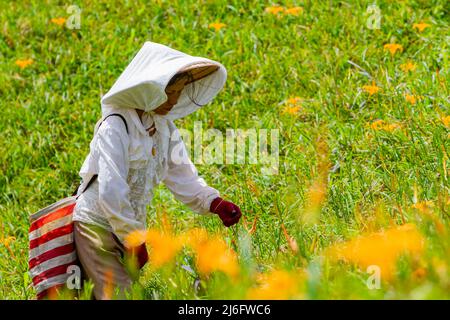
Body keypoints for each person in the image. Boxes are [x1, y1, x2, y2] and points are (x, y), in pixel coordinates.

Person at [72, 41, 242, 299]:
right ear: (148, 89)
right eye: (169, 91)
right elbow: (111, 190)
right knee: (121, 295)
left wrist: (214, 202)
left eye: (179, 91)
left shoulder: (163, 127)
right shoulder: (114, 127)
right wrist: (133, 239)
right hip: (96, 226)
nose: (174, 100)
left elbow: (182, 174)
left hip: (127, 231)